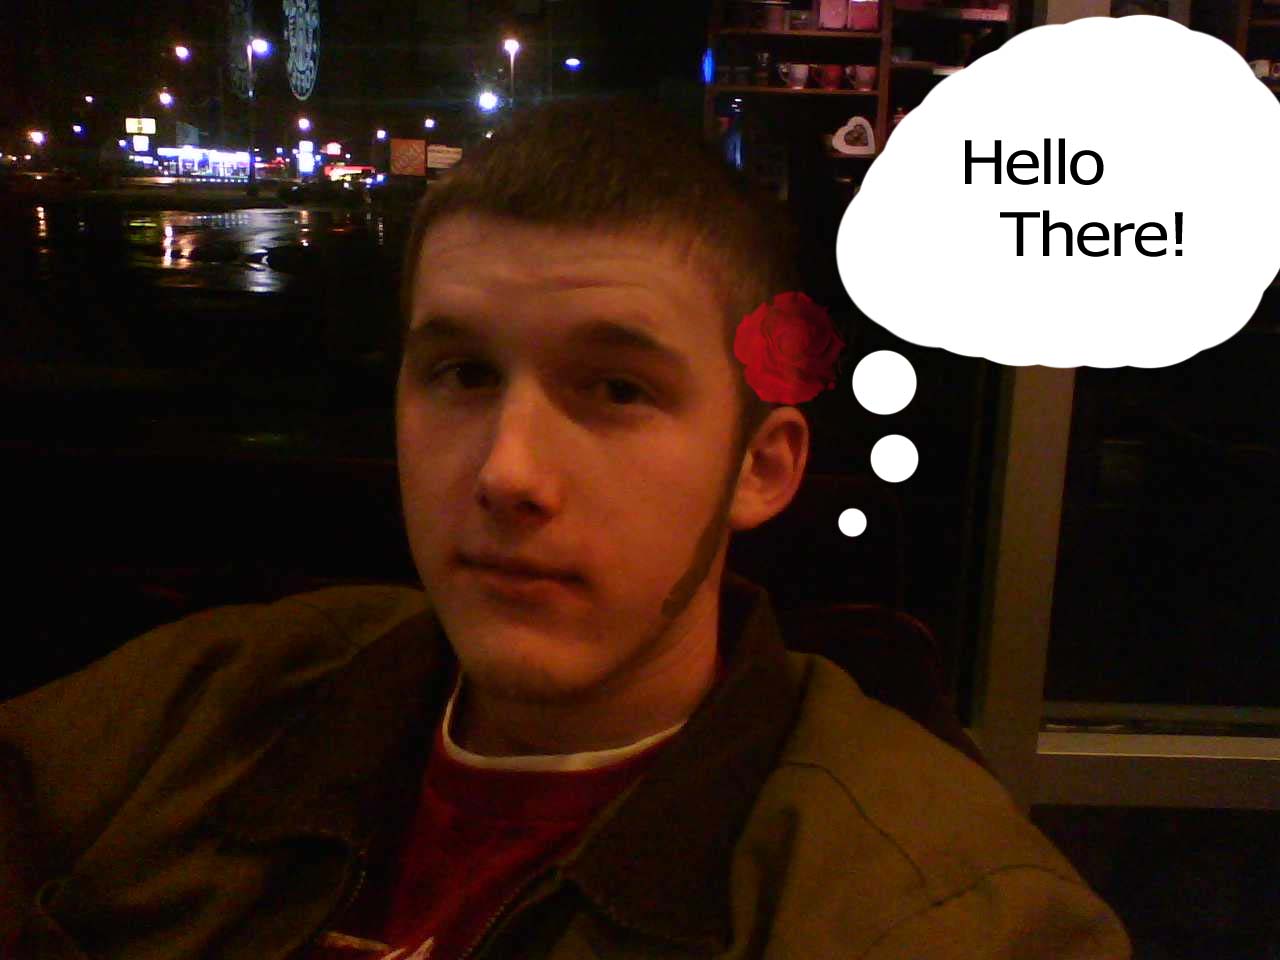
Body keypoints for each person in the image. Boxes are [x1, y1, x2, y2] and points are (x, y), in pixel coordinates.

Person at [0, 97, 1131, 959]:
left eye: (617, 390)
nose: (508, 473)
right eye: (460, 373)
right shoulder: (221, 699)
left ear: (761, 465)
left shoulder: (925, 906)